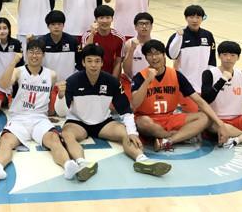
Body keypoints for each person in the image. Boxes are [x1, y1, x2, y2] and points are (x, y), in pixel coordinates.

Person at [0, 39, 95, 181]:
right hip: (19, 118)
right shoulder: (18, 71)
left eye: (38, 52)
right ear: (26, 54)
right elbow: (3, 84)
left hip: (40, 118)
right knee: (5, 141)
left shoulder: (51, 75)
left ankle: (68, 166)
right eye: (31, 52)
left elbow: (54, 99)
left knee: (55, 140)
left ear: (43, 55)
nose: (34, 55)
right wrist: (13, 62)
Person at [56, 44, 171, 177]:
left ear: (102, 63)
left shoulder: (111, 82)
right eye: (89, 61)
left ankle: (142, 160)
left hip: (103, 123)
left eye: (97, 61)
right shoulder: (72, 81)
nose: (93, 65)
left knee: (126, 133)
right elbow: (61, 113)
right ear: (83, 62)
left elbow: (126, 110)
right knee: (67, 135)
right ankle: (82, 164)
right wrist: (61, 96)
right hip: (78, 123)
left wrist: (132, 132)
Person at [131, 40, 229, 151]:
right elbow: (134, 104)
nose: (154, 58)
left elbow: (199, 101)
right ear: (145, 57)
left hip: (169, 118)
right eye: (150, 54)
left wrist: (220, 123)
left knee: (204, 117)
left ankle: (168, 140)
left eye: (157, 53)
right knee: (143, 122)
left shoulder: (175, 75)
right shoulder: (140, 77)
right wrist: (147, 80)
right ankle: (175, 135)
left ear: (164, 55)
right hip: (149, 119)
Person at [167, 5, 216, 113]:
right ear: (186, 18)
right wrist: (178, 38)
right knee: (191, 113)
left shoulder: (208, 35)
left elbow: (212, 60)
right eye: (191, 17)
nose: (195, 20)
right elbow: (172, 55)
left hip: (203, 85)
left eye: (198, 17)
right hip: (185, 85)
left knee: (208, 113)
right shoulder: (178, 36)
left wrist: (210, 81)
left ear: (202, 18)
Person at [39, 10, 80, 114]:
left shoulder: (72, 41)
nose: (56, 27)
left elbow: (80, 64)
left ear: (63, 25)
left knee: (67, 112)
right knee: (51, 112)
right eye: (53, 24)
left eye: (59, 24)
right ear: (48, 26)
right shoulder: (41, 42)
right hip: (48, 85)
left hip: (68, 85)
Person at [82, 5, 124, 78]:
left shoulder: (119, 38)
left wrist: (113, 80)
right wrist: (92, 34)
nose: (105, 21)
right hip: (90, 75)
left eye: (108, 17)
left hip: (109, 75)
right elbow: (85, 54)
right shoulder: (87, 35)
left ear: (112, 19)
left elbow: (118, 62)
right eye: (101, 18)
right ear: (96, 20)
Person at [120, 12, 154, 101]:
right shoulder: (129, 44)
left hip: (151, 82)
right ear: (135, 27)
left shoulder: (156, 44)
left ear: (151, 26)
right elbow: (126, 70)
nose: (144, 26)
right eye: (141, 24)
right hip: (131, 81)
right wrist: (132, 49)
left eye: (147, 24)